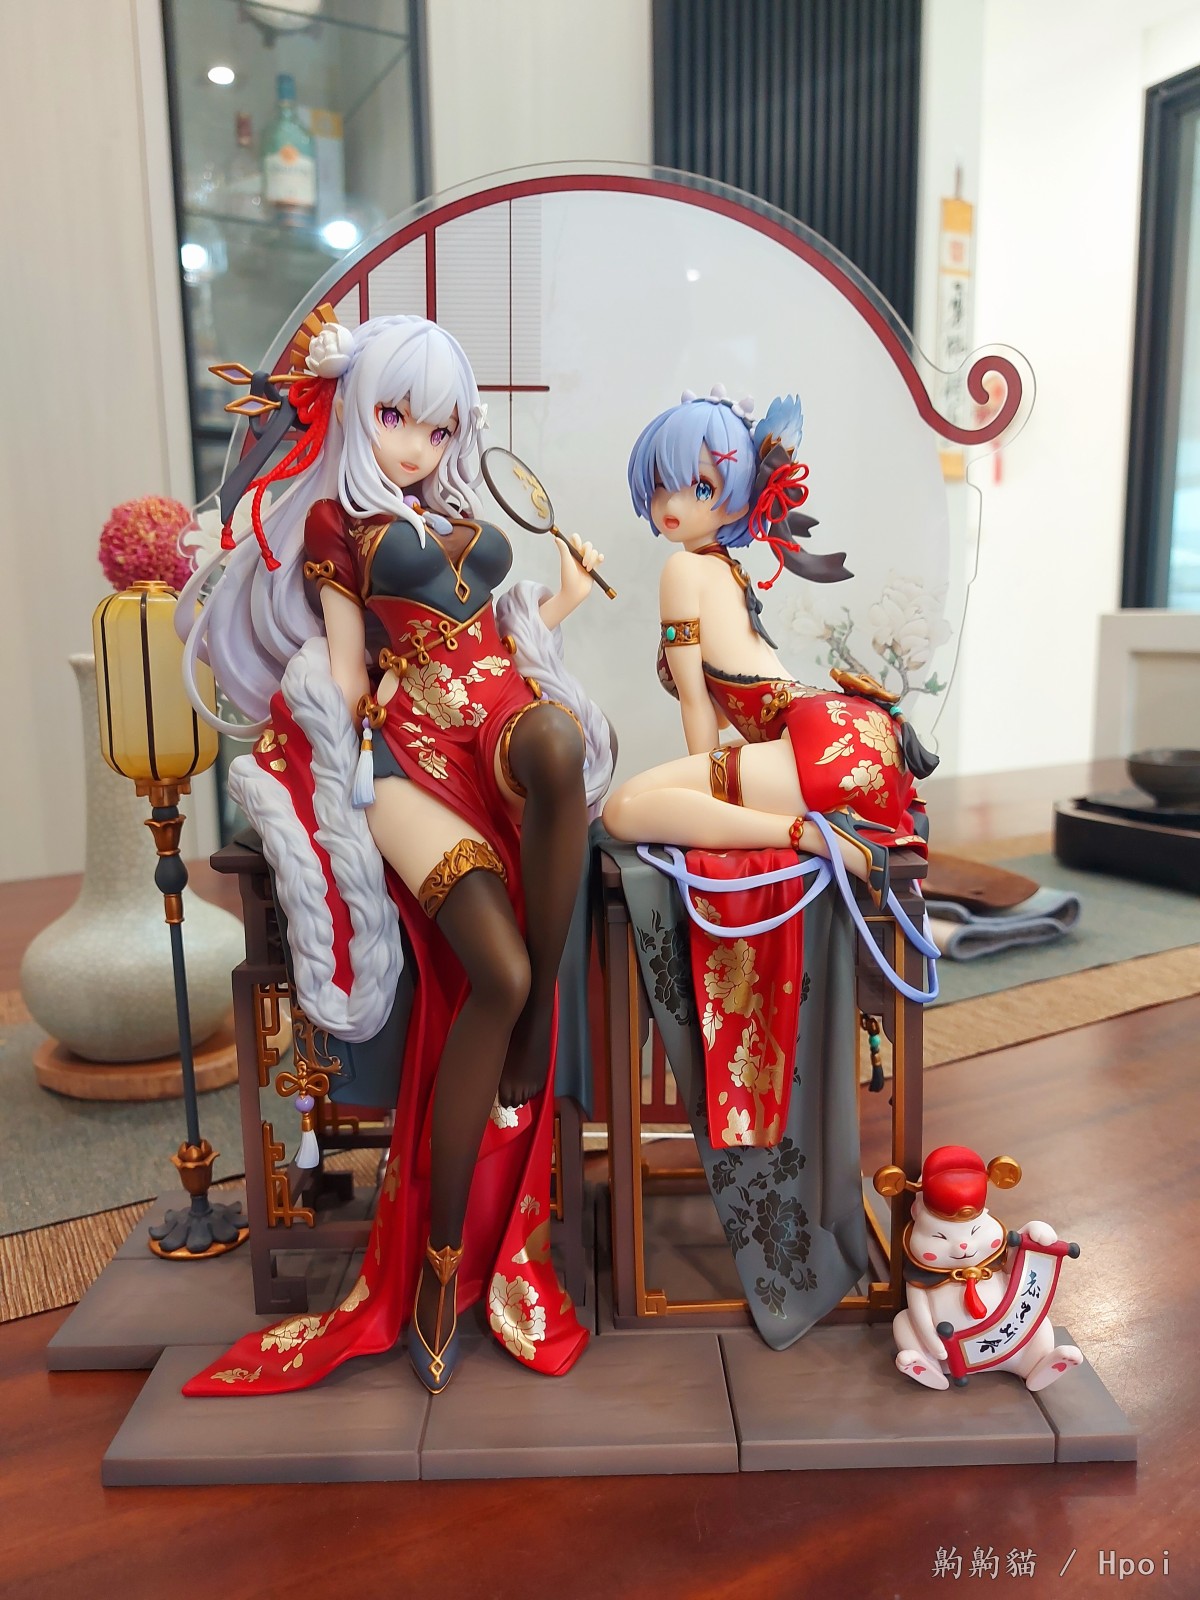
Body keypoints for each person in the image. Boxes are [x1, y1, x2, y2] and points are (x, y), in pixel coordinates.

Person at [176, 311, 610, 1396]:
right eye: (394, 416)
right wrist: (334, 733)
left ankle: (530, 1038)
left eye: (438, 425)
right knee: (497, 972)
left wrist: (563, 597)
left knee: (560, 745)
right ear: (355, 411)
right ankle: (436, 1269)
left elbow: (505, 633)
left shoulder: (461, 514)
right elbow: (341, 664)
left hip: (499, 716)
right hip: (409, 752)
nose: (416, 444)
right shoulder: (337, 523)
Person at [602, 386, 931, 900]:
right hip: (850, 735)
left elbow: (696, 701)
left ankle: (816, 837)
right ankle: (818, 832)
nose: (672, 503)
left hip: (816, 746)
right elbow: (722, 709)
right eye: (662, 484)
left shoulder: (683, 569)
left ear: (738, 496)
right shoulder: (724, 570)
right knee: (656, 799)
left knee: (622, 810)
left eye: (701, 487)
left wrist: (710, 809)